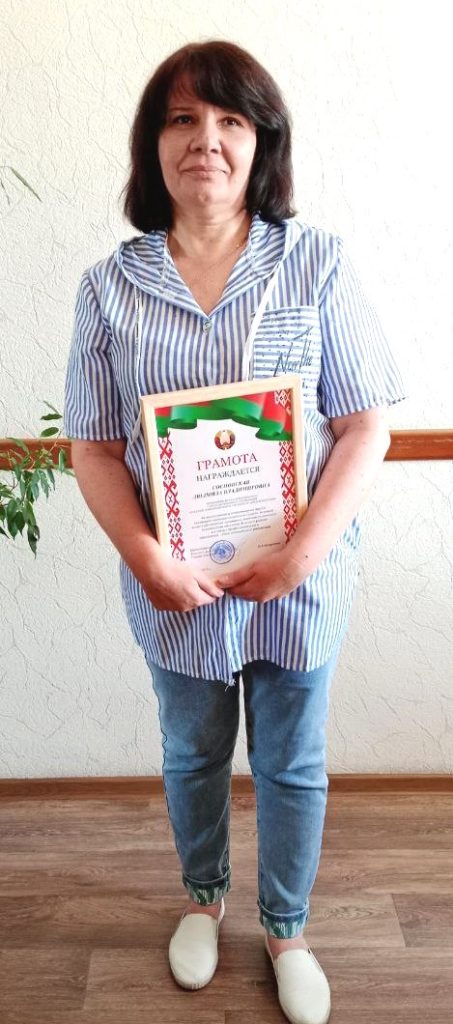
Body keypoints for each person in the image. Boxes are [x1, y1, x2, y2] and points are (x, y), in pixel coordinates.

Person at [64, 40, 405, 1024]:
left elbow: (366, 427)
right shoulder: (108, 289)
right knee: (191, 755)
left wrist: (301, 554)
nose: (205, 140)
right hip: (175, 591)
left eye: (229, 120)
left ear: (262, 144)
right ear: (152, 144)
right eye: (181, 119)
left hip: (300, 583)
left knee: (292, 764)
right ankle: (203, 899)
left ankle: (287, 928)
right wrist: (147, 560)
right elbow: (93, 448)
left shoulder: (317, 264)